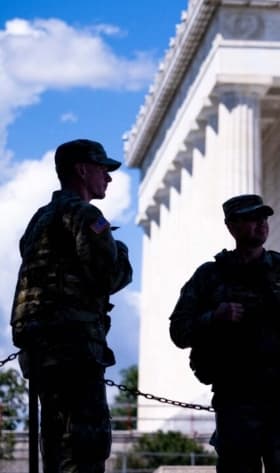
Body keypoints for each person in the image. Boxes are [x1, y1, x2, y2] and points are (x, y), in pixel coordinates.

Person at [170, 194, 280, 473]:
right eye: (252, 218)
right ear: (231, 226)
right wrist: (215, 317)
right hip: (235, 396)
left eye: (264, 218)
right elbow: (179, 331)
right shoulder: (210, 277)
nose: (261, 224)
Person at [10, 139, 133, 473]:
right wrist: (119, 249)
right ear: (82, 170)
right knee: (85, 446)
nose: (108, 178)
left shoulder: (41, 218)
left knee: (57, 444)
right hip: (74, 345)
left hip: (40, 347)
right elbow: (110, 275)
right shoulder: (85, 214)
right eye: (103, 170)